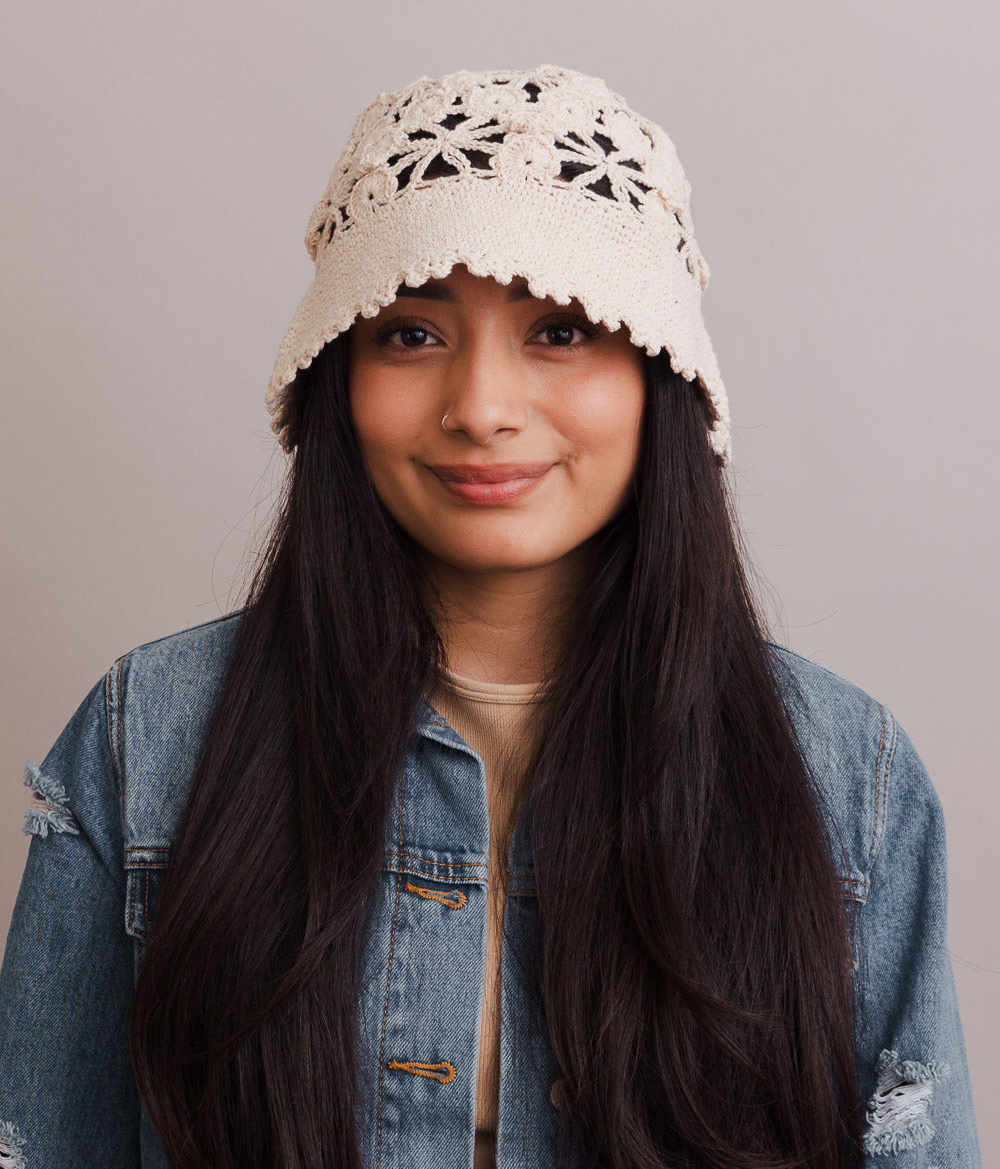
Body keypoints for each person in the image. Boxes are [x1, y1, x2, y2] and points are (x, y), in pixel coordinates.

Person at [0, 64, 982, 1169]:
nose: (479, 408)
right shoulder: (149, 737)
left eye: (560, 331)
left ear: (658, 373)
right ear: (337, 378)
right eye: (412, 334)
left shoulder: (848, 773)